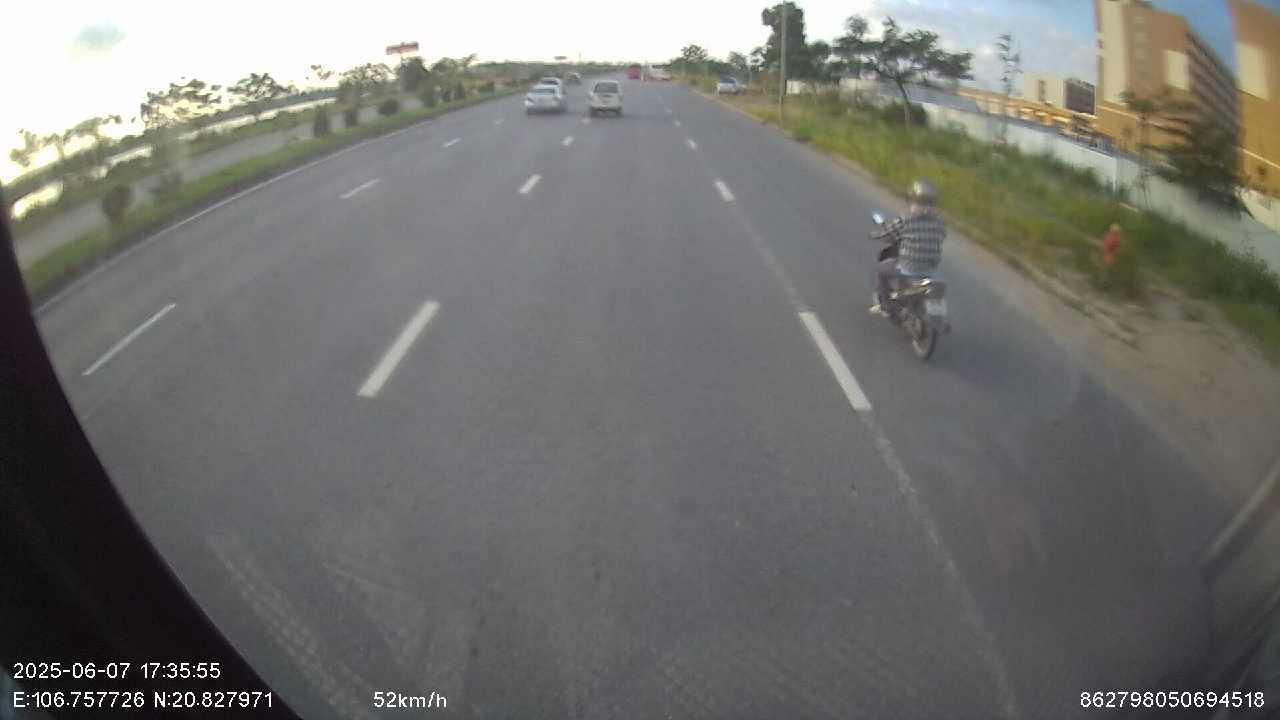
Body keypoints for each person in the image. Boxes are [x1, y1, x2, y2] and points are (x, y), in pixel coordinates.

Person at [870, 180, 948, 318]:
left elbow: (888, 234)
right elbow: (941, 237)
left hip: (909, 267)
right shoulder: (940, 222)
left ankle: (886, 306)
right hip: (931, 269)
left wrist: (874, 235)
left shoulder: (906, 219)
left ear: (913, 199)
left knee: (881, 272)